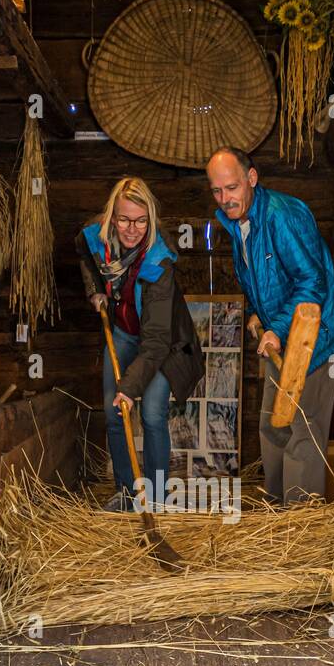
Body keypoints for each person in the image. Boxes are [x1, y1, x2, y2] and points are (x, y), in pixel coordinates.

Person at [206, 146, 334, 503]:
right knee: (272, 424)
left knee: (303, 429)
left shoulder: (281, 216)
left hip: (315, 338)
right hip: (281, 336)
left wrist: (276, 327)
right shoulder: (238, 224)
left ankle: (298, 523)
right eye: (217, 191)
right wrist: (262, 316)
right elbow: (267, 278)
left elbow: (312, 283)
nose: (225, 198)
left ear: (251, 179)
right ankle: (275, 509)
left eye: (231, 188)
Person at [76, 177, 204, 511]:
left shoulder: (159, 265)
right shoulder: (99, 238)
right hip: (122, 332)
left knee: (150, 411)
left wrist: (130, 387)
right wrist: (95, 290)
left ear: (150, 218)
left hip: (166, 344)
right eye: (124, 219)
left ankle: (157, 498)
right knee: (113, 411)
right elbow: (83, 250)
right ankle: (126, 492)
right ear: (111, 217)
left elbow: (157, 340)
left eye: (141, 220)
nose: (132, 228)